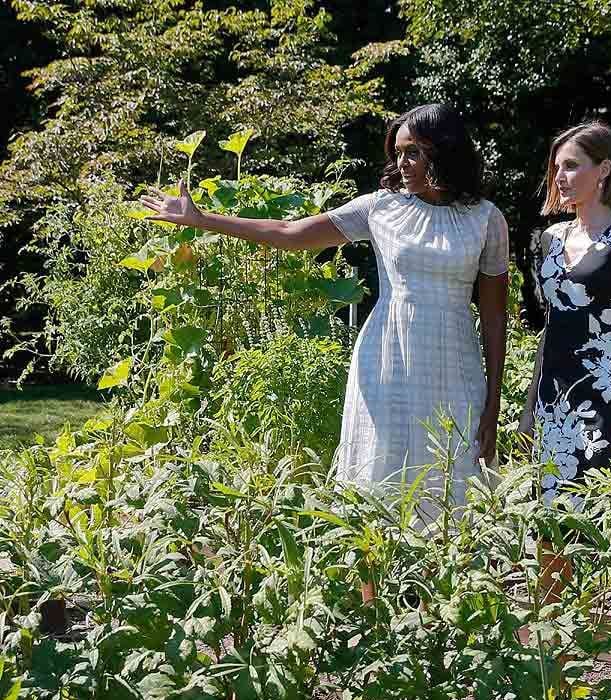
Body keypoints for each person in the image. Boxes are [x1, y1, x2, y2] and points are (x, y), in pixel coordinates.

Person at [142, 104, 510, 579]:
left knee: (453, 483)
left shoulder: (486, 219)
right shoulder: (380, 208)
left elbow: (496, 316)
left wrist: (493, 401)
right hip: (388, 366)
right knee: (382, 485)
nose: (403, 164)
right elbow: (294, 234)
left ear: (446, 151)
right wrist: (203, 219)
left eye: (414, 152)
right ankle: (375, 612)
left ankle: (447, 613)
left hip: (456, 366)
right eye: (398, 153)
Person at [519, 120, 611, 605]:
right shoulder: (549, 239)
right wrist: (530, 406)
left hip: (606, 393)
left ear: (604, 170)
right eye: (557, 167)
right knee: (551, 523)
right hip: (555, 398)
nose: (561, 176)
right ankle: (553, 656)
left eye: (572, 165)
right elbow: (551, 329)